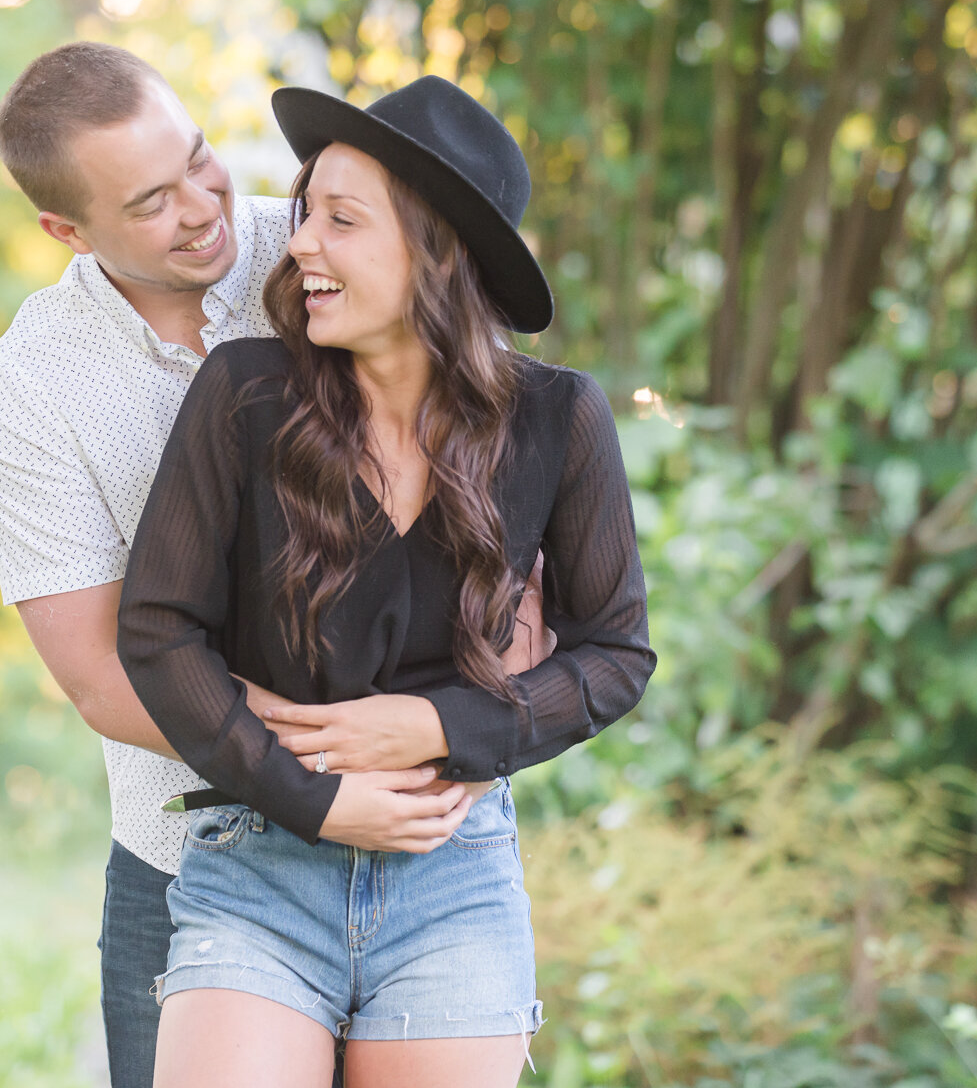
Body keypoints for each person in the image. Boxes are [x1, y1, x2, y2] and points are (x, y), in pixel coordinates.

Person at [0, 44, 551, 1088]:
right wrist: (328, 768)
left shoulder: (327, 244)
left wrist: (432, 738)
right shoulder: (29, 388)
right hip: (186, 850)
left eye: (198, 159)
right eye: (151, 202)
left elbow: (500, 496)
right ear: (66, 230)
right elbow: (104, 674)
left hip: (425, 844)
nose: (202, 206)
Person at [117, 75, 655, 1087]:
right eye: (305, 210)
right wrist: (310, 795)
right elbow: (155, 629)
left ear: (434, 249)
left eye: (340, 219)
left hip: (450, 869)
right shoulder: (243, 393)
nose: (299, 243)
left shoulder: (557, 419)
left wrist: (440, 729)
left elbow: (615, 654)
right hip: (258, 862)